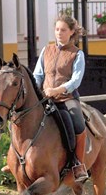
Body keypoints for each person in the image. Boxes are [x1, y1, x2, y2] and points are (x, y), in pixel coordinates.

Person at [33, 14, 88, 182]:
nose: (59, 33)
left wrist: (57, 90)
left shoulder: (77, 54)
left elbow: (76, 81)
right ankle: (15, 160)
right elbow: (37, 74)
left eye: (63, 30)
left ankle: (78, 164)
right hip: (45, 98)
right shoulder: (46, 50)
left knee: (78, 123)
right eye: (57, 29)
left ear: (71, 32)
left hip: (67, 98)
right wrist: (37, 91)